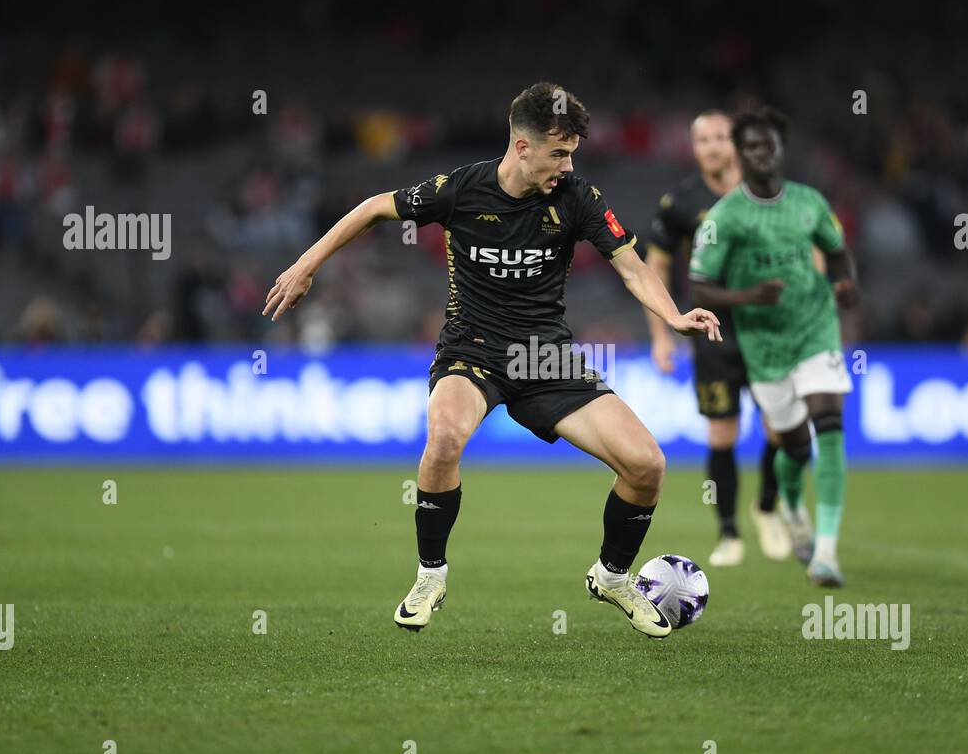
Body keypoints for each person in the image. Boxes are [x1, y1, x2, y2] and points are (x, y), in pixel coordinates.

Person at [263, 82, 721, 636]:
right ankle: (431, 574)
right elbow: (373, 208)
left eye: (572, 153)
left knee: (647, 464)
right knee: (445, 436)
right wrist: (307, 265)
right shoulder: (462, 190)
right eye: (558, 153)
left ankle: (613, 575)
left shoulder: (579, 198)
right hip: (472, 350)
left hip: (545, 357)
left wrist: (672, 316)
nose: (567, 164)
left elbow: (630, 265)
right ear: (522, 148)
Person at [689, 107, 859, 586]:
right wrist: (747, 296)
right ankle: (788, 500)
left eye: (769, 145)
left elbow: (839, 250)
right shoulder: (727, 216)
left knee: (829, 426)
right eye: (752, 147)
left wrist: (846, 285)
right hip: (763, 347)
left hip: (815, 329)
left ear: (782, 149)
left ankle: (826, 552)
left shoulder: (809, 202)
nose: (762, 154)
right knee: (795, 445)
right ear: (742, 155)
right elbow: (700, 285)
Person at [642, 109, 789, 567]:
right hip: (712, 330)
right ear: (694, 148)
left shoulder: (770, 192)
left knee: (780, 427)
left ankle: (766, 506)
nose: (712, 147)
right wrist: (662, 334)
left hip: (769, 329)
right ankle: (728, 532)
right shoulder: (681, 201)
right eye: (702, 139)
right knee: (722, 430)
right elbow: (656, 265)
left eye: (721, 137)